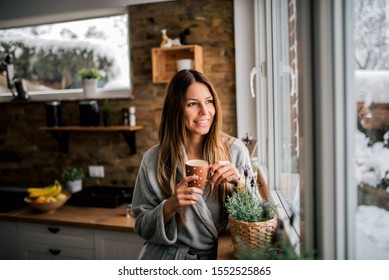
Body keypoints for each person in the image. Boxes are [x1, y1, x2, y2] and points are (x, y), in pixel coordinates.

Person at [132, 69, 253, 260]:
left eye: (209, 101)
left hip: (219, 256)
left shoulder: (235, 151)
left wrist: (239, 183)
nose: (205, 112)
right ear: (176, 109)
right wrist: (170, 205)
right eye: (192, 104)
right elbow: (141, 226)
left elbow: (256, 218)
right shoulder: (153, 159)